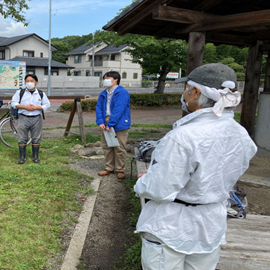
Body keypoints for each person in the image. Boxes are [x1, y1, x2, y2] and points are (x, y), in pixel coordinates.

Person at [134, 63, 257, 270]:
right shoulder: (240, 134)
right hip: (211, 223)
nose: (183, 94)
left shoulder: (183, 137)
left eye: (186, 89)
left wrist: (143, 182)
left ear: (195, 92)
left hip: (171, 225)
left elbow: (159, 190)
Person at [95, 71, 131, 179]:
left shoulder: (122, 92)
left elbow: (118, 110)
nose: (105, 80)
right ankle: (109, 167)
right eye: (104, 78)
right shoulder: (103, 93)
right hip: (105, 121)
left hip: (119, 122)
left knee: (119, 146)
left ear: (116, 79)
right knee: (107, 146)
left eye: (108, 78)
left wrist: (110, 124)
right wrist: (101, 122)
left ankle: (120, 169)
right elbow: (99, 108)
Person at [11, 74, 50, 164]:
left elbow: (47, 105)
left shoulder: (41, 93)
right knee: (22, 137)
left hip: (36, 118)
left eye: (31, 81)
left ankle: (35, 157)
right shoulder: (20, 93)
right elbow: (14, 103)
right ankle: (22, 157)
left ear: (36, 83)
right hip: (23, 118)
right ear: (25, 82)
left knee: (36, 137)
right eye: (27, 81)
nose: (29, 83)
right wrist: (25, 107)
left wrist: (36, 107)